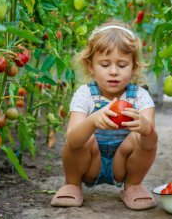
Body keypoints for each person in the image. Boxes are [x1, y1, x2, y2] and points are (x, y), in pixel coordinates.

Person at [50, 19, 158, 210]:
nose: (114, 72)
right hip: (91, 163)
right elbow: (72, 140)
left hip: (121, 165)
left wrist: (146, 128)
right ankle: (72, 184)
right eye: (105, 64)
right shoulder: (85, 94)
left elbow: (150, 145)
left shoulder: (140, 97)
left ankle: (133, 185)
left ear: (133, 67)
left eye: (122, 65)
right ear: (91, 66)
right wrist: (92, 121)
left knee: (140, 137)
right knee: (84, 138)